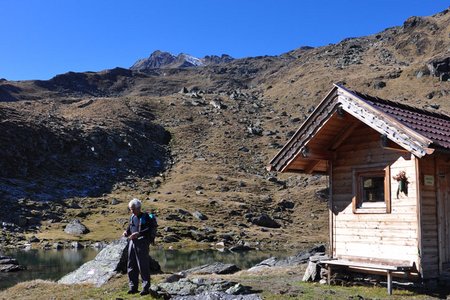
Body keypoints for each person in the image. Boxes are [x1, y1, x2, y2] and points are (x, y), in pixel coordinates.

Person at [123, 198, 157, 297]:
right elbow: (130, 227)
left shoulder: (145, 217)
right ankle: (133, 287)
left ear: (139, 208)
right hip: (132, 242)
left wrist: (138, 234)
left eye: (133, 209)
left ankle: (146, 288)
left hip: (142, 242)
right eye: (130, 209)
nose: (131, 211)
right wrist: (126, 232)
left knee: (143, 265)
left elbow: (148, 229)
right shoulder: (132, 217)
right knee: (131, 264)